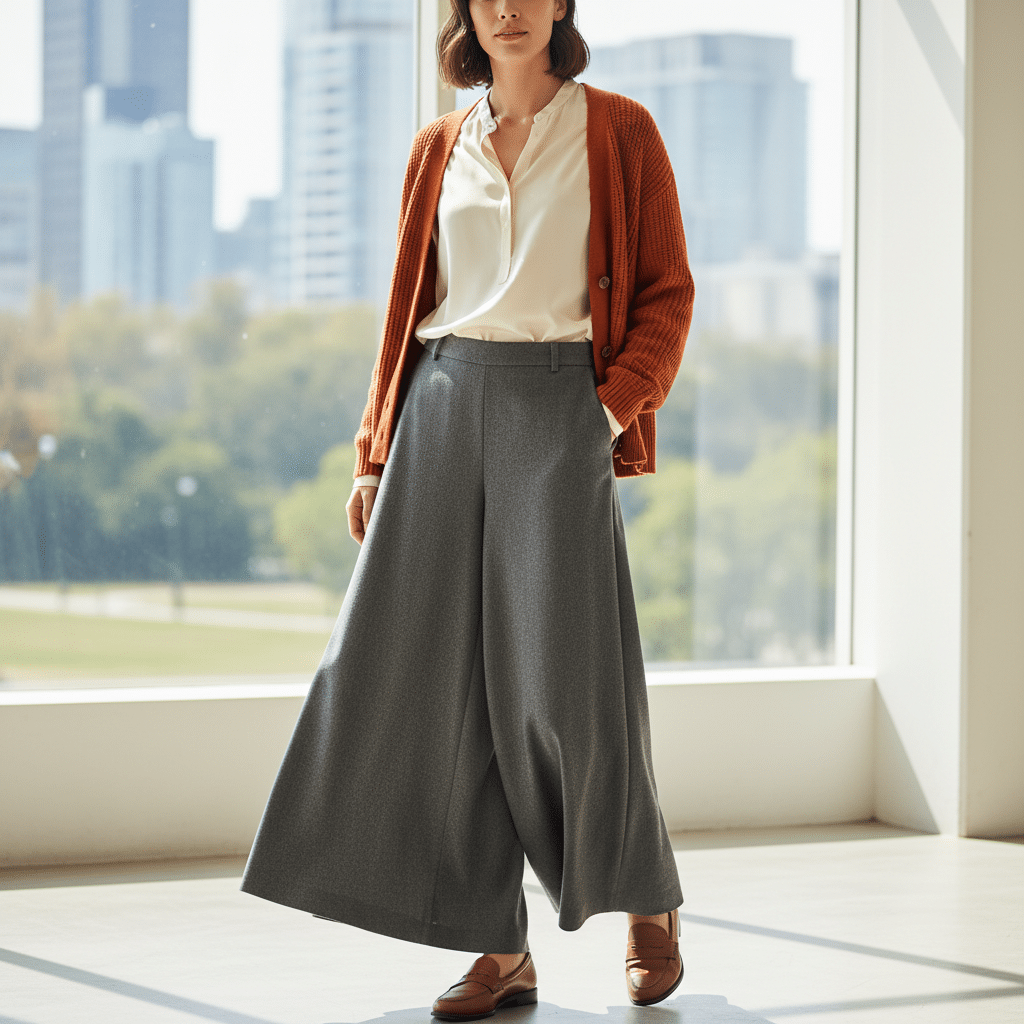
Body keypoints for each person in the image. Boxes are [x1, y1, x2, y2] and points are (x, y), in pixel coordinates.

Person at [241, 0, 695, 1016]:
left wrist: (606, 409)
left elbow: (667, 294)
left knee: (567, 685)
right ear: (464, 13)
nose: (510, 8)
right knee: (426, 683)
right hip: (441, 408)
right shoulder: (438, 146)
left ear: (563, 3)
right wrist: (374, 453)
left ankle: (647, 892)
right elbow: (406, 307)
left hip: (561, 407)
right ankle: (498, 946)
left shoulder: (619, 130)